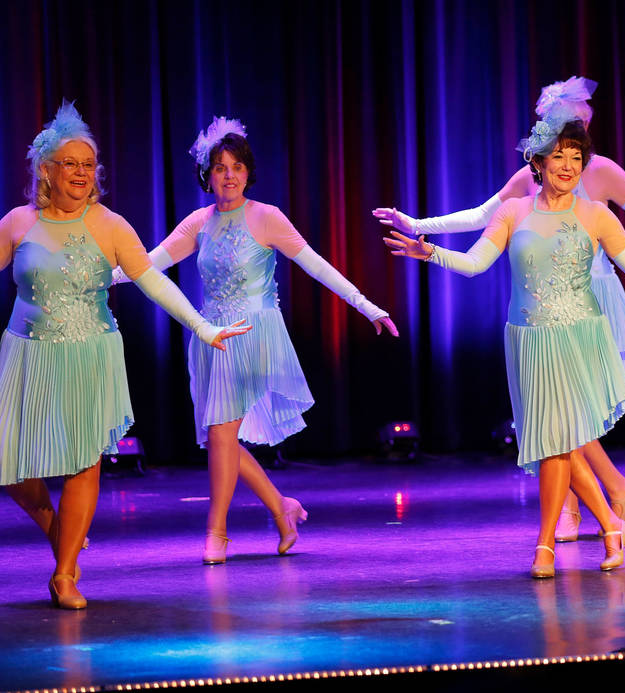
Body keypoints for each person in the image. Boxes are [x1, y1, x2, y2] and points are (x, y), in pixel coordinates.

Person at [374, 77, 625, 541]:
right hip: (538, 305)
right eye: (566, 134)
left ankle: (600, 500)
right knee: (560, 414)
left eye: (582, 137)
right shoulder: (527, 186)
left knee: (572, 412)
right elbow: (480, 219)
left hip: (594, 298)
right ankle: (585, 505)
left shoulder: (604, 176)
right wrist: (418, 228)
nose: (573, 153)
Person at [114, 117, 398, 564]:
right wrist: (100, 281)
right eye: (220, 167)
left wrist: (366, 304)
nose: (229, 175)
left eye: (237, 166)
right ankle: (282, 508)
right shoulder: (198, 223)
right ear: (207, 175)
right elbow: (146, 265)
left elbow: (317, 266)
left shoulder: (266, 217)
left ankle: (217, 532)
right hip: (213, 336)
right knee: (220, 436)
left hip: (255, 335)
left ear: (248, 172)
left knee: (222, 431)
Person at [0, 103, 248, 608]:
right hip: (26, 356)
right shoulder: (16, 223)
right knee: (10, 464)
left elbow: (153, 280)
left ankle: (65, 574)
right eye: (69, 163)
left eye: (87, 165)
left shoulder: (110, 225)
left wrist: (202, 327)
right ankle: (55, 523)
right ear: (46, 169)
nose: (80, 173)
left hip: (91, 356)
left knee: (83, 464)